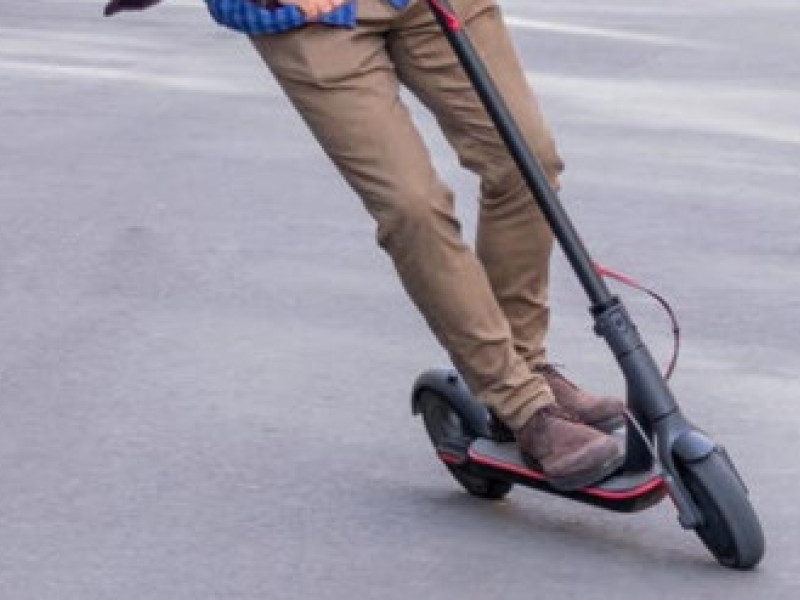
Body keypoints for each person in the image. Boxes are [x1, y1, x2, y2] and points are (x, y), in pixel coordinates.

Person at [104, 0, 625, 491]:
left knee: (526, 162)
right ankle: (523, 405)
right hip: (311, 19)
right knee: (412, 207)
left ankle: (527, 366)